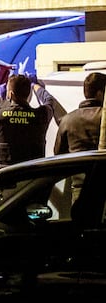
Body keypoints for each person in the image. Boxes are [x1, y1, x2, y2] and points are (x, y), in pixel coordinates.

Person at [53, 72, 106, 204]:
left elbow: (58, 154)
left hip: (80, 187)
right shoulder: (103, 117)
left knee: (82, 223)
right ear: (100, 93)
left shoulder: (68, 120)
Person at [0, 74, 57, 168]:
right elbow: (50, 101)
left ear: (10, 94)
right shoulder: (41, 115)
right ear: (28, 92)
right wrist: (35, 86)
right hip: (34, 174)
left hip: (6, 175)